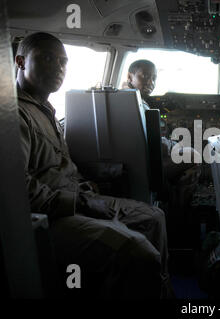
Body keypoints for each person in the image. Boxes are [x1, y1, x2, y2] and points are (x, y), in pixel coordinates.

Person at [15, 32, 172, 298]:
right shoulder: (14, 114)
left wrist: (90, 188)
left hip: (77, 199)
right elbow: (16, 191)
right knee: (136, 251)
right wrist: (81, 203)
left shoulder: (46, 111)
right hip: (46, 220)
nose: (59, 68)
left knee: (154, 217)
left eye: (63, 62)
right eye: (48, 58)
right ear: (20, 61)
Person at [126, 59, 201, 244]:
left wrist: (172, 143)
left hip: (136, 161)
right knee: (194, 156)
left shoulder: (127, 98)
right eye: (145, 76)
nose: (151, 82)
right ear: (130, 76)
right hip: (145, 165)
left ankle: (173, 212)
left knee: (185, 154)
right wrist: (174, 144)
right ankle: (177, 219)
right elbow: (153, 142)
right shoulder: (132, 102)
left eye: (154, 78)